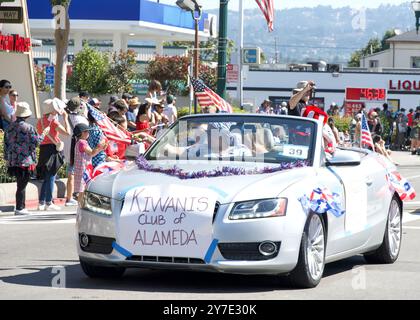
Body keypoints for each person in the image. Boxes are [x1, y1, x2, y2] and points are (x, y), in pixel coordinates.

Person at [5, 102, 50, 215]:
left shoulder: (9, 127)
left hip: (13, 160)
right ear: (27, 115)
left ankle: (20, 207)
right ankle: (20, 207)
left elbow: (5, 144)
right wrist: (44, 133)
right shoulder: (29, 128)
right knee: (22, 185)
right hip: (25, 161)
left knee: (19, 184)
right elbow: (37, 142)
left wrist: (7, 158)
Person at [36, 99, 71, 211]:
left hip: (43, 148)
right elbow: (67, 133)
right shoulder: (54, 123)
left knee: (46, 177)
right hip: (52, 148)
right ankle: (48, 202)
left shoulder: (40, 121)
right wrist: (65, 118)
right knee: (51, 176)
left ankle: (41, 202)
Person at [62, 97, 89, 206]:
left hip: (65, 148)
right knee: (80, 176)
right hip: (78, 151)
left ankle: (69, 197)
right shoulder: (82, 120)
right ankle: (75, 197)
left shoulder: (63, 117)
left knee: (70, 174)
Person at [72, 124, 107, 201]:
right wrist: (99, 146)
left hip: (83, 169)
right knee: (82, 190)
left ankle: (80, 206)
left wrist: (100, 149)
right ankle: (80, 206)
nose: (88, 133)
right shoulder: (82, 142)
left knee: (83, 190)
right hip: (83, 169)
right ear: (82, 133)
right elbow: (91, 153)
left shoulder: (80, 142)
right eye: (87, 131)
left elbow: (92, 153)